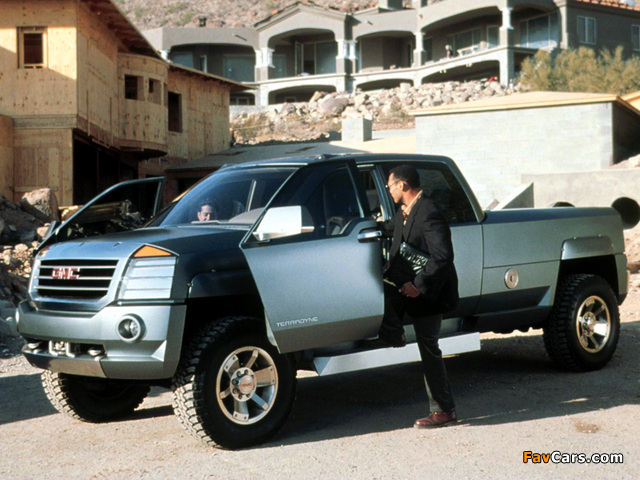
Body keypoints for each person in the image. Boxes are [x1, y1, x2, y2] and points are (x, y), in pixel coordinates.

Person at [369, 164, 459, 428]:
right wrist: (361, 227)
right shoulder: (405, 211)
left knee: (429, 348)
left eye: (390, 186)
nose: (388, 190)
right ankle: (395, 334)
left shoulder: (429, 212)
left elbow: (442, 256)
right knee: (382, 289)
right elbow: (390, 228)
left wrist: (418, 285)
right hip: (407, 288)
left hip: (430, 293)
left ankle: (444, 410)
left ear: (403, 185)